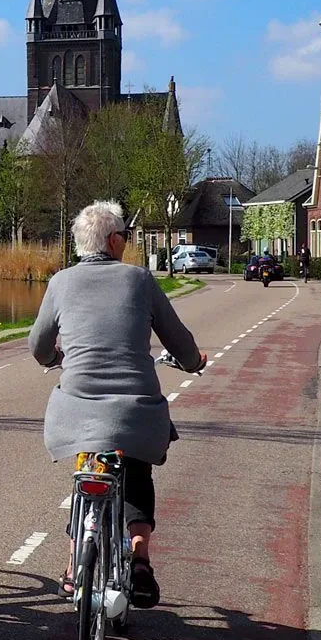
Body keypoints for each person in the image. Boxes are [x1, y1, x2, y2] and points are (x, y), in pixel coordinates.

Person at [27, 201, 204, 609]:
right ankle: (140, 556)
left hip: (74, 411)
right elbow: (178, 339)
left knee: (87, 468)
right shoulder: (139, 280)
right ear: (112, 241)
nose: (127, 242)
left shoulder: (60, 282)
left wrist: (56, 359)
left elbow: (37, 346)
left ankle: (74, 566)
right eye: (125, 235)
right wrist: (194, 363)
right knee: (137, 466)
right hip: (134, 409)